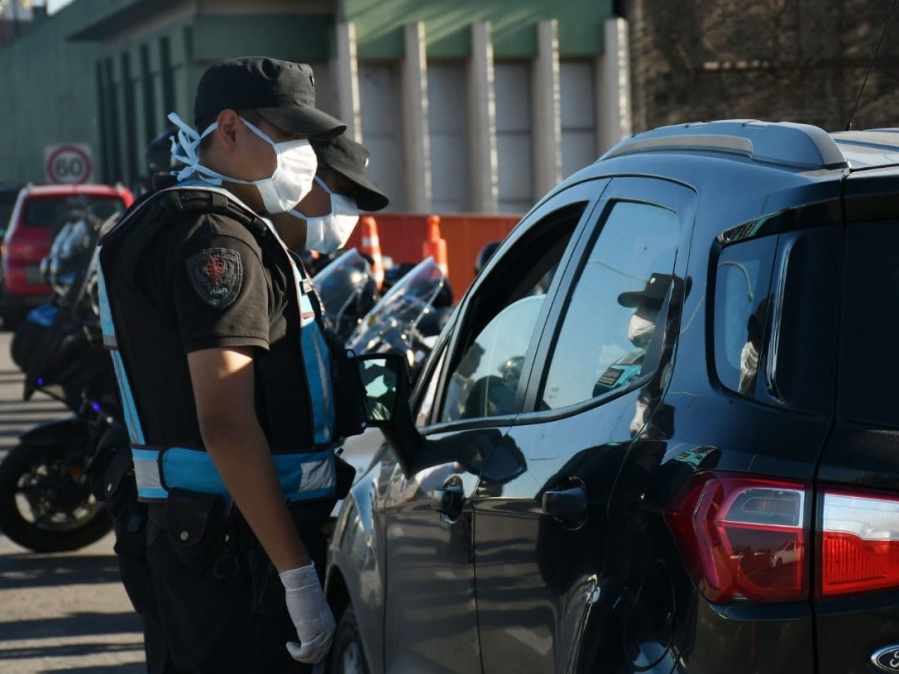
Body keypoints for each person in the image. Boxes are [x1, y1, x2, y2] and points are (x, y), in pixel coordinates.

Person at [96, 56, 352, 673]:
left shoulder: (168, 219)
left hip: (199, 536)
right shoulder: (218, 239)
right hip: (241, 551)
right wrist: (298, 578)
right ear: (231, 129)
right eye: (290, 138)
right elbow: (227, 423)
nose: (303, 157)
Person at [268, 133, 389, 256]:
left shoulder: (294, 263)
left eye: (354, 201)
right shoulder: (251, 249)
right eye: (344, 191)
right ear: (306, 177)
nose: (347, 210)